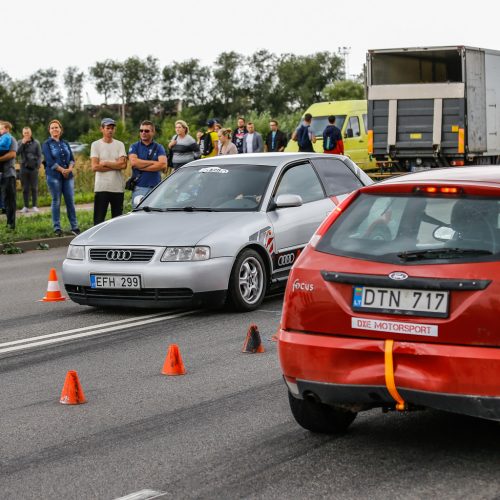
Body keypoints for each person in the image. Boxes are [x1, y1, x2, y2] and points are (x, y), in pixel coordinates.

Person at [42, 119, 80, 236]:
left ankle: (74, 227)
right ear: (49, 130)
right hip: (54, 177)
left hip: (68, 176)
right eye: (52, 128)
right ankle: (57, 228)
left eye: (56, 127)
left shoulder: (65, 143)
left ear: (60, 130)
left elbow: (72, 159)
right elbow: (49, 161)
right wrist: (62, 170)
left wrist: (69, 168)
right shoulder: (46, 144)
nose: (55, 129)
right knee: (56, 201)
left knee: (70, 201)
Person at [90, 118, 127, 225]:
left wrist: (105, 163)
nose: (110, 130)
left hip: (117, 188)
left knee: (117, 220)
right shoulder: (95, 145)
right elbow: (95, 167)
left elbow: (123, 165)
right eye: (107, 128)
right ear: (102, 129)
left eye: (112, 128)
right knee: (98, 219)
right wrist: (116, 165)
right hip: (102, 187)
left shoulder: (120, 144)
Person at [128, 120, 167, 207]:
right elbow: (134, 162)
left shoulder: (159, 147)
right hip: (139, 187)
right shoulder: (134, 146)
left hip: (156, 187)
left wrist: (141, 166)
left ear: (153, 132)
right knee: (139, 215)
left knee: (156, 215)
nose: (143, 133)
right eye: (141, 130)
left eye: (146, 131)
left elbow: (163, 165)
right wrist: (154, 163)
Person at [17, 127, 42, 213]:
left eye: (28, 133)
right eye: (25, 133)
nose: (26, 134)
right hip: (23, 168)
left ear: (30, 133)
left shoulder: (36, 143)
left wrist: (38, 165)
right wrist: (23, 144)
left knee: (34, 188)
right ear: (22, 133)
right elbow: (16, 153)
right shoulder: (20, 142)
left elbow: (39, 155)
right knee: (25, 188)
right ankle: (26, 206)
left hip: (33, 168)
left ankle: (34, 206)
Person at [0, 121, 17, 230]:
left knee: (10, 200)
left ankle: (11, 224)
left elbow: (12, 154)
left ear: (7, 128)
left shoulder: (11, 139)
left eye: (0, 128)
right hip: (2, 175)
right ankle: (8, 223)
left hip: (9, 174)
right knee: (5, 199)